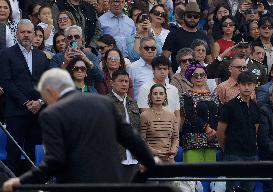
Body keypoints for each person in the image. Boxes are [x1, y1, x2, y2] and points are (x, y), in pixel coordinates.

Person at [2, 68, 156, 192]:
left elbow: (55, 161)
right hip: (111, 184)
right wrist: (149, 162)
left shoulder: (51, 114)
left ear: (50, 91)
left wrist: (22, 181)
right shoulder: (104, 103)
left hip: (75, 186)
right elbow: (132, 139)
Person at [0, 19, 49, 176]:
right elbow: (6, 82)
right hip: (15, 112)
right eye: (23, 32)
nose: (26, 35)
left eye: (29, 32)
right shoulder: (6, 54)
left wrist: (40, 102)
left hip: (37, 112)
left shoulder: (42, 56)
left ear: (34, 34)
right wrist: (26, 102)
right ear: (17, 34)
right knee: (13, 154)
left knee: (32, 154)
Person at [217, 71, 259, 192]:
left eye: (250, 84)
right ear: (238, 85)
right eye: (244, 84)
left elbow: (255, 129)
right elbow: (220, 132)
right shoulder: (229, 106)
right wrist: (227, 149)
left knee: (249, 188)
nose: (247, 87)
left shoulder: (255, 106)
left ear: (254, 85)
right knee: (233, 189)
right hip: (233, 153)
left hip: (252, 154)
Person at [180, 63, 219, 164]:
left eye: (202, 75)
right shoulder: (186, 96)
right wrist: (207, 128)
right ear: (191, 78)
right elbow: (190, 116)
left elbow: (218, 115)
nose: (199, 77)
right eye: (195, 75)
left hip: (212, 140)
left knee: (210, 175)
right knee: (193, 176)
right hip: (193, 139)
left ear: (206, 77)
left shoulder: (213, 95)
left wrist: (214, 131)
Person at [107, 69, 140, 182]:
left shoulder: (133, 102)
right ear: (112, 83)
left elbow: (138, 131)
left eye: (126, 81)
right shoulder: (105, 102)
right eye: (121, 81)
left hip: (134, 157)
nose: (124, 84)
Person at [163, 1, 212, 73]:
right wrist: (172, 76)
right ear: (184, 16)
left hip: (199, 78)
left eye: (195, 17)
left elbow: (209, 60)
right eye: (189, 16)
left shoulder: (203, 35)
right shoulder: (173, 34)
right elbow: (165, 58)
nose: (192, 19)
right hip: (179, 78)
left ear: (199, 18)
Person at [137, 55, 180, 127]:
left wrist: (174, 132)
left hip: (171, 132)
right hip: (153, 132)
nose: (162, 72)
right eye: (159, 69)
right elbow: (145, 114)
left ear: (168, 70)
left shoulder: (174, 90)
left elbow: (177, 115)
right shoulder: (145, 88)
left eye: (165, 69)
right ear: (153, 70)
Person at [141, 84, 179, 164]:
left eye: (161, 94)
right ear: (150, 96)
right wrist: (154, 152)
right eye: (155, 94)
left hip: (169, 159)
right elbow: (142, 139)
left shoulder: (171, 115)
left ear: (165, 96)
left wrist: (173, 151)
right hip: (151, 159)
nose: (158, 96)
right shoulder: (144, 115)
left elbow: (176, 138)